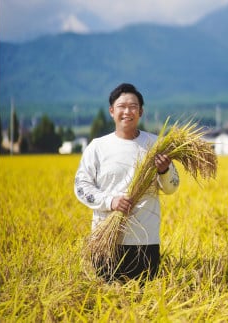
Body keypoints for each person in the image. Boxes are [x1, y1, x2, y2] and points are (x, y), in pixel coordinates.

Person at [74, 83, 180, 282]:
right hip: (106, 241)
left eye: (133, 106)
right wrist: (110, 201)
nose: (127, 111)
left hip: (145, 241)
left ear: (140, 112)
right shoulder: (98, 147)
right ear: (112, 111)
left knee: (146, 306)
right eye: (122, 106)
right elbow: (81, 186)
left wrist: (164, 170)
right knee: (106, 302)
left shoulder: (156, 145)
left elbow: (172, 187)